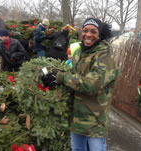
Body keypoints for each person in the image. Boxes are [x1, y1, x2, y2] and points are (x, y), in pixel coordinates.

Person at [42, 17, 118, 151]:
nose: (88, 35)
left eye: (93, 31)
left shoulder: (105, 57)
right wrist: (54, 77)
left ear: (100, 35)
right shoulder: (79, 53)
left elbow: (91, 85)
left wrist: (61, 77)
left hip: (95, 121)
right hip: (77, 118)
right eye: (85, 30)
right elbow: (73, 76)